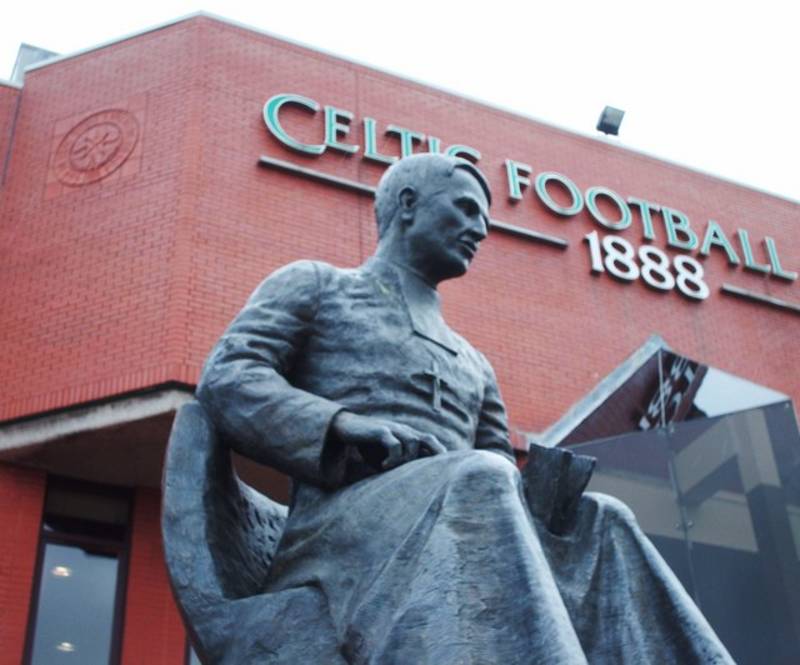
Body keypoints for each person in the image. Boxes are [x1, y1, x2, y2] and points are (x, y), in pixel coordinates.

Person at [191, 154, 734, 664]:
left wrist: (545, 498)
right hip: (340, 533)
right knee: (479, 474)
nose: (480, 230)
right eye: (466, 209)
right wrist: (341, 425)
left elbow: (502, 476)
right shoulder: (316, 285)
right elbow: (230, 375)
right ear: (408, 204)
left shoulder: (474, 362)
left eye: (485, 219)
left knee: (604, 518)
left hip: (461, 512)